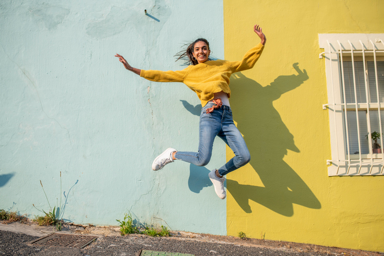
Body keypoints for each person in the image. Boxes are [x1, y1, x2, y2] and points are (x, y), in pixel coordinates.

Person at [115, 25, 266, 199]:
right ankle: (171, 155)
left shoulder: (222, 65)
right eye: (197, 49)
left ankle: (217, 175)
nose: (201, 51)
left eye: (204, 48)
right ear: (193, 54)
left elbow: (244, 63)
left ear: (209, 51)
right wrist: (133, 69)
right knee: (202, 159)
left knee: (244, 156)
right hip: (210, 115)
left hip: (227, 117)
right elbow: (162, 75)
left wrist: (261, 44)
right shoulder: (189, 73)